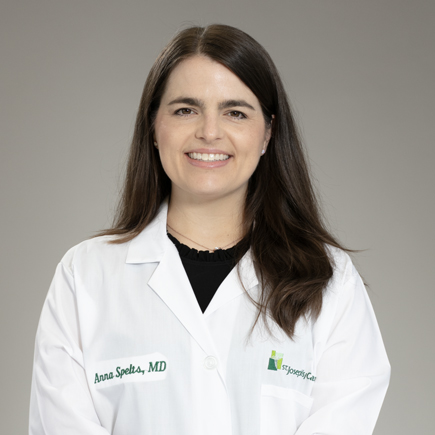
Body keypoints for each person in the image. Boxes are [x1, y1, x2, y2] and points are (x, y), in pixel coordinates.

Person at [29, 24, 390, 435]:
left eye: (235, 112)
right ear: (153, 126)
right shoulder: (85, 276)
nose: (209, 132)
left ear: (268, 133)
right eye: (186, 110)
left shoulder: (331, 282)